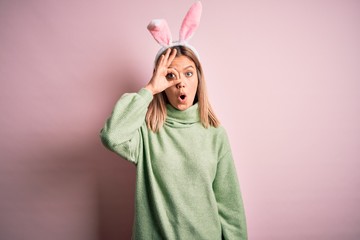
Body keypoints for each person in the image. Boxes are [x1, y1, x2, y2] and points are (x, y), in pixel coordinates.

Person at [100, 2, 247, 239]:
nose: (181, 82)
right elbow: (111, 136)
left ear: (199, 78)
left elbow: (230, 209)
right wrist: (150, 88)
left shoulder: (215, 134)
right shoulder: (146, 132)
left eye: (188, 73)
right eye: (171, 75)